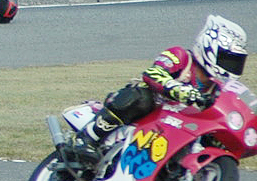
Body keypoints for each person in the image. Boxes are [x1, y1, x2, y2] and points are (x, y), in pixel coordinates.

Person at [72, 15, 248, 162]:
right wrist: (184, 92)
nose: (231, 67)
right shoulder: (181, 56)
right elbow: (152, 74)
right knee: (142, 97)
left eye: (236, 63)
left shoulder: (217, 89)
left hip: (172, 128)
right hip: (143, 113)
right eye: (227, 60)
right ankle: (86, 139)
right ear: (209, 47)